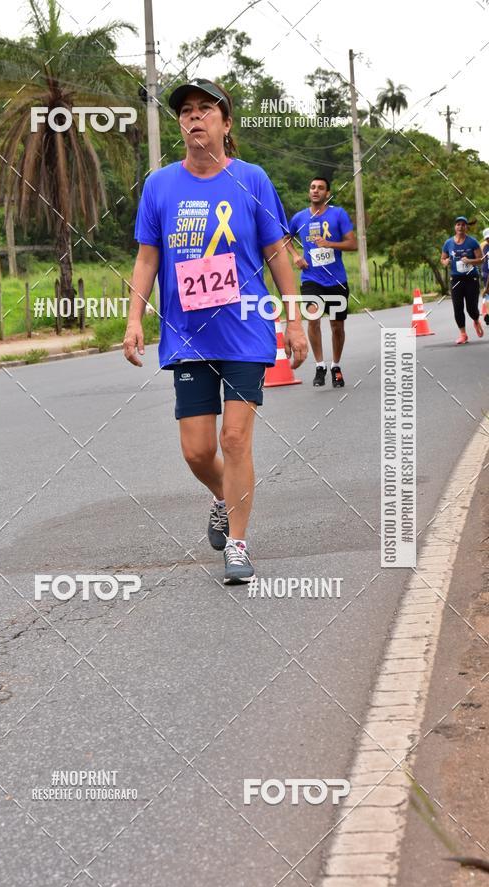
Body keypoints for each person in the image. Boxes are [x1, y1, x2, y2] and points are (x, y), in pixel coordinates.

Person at [123, 78, 308, 584]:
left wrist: (293, 320)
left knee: (234, 438)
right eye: (186, 111)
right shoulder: (159, 185)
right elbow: (146, 257)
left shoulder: (252, 178)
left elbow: (277, 256)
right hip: (187, 334)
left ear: (226, 124)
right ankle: (222, 497)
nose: (194, 118)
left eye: (206, 110)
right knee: (198, 449)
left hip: (246, 328)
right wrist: (135, 318)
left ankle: (239, 545)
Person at [286, 178, 357, 388]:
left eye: (321, 188)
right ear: (309, 192)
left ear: (328, 193)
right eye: (313, 187)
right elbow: (285, 238)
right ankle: (319, 366)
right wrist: (295, 256)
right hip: (311, 278)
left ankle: (335, 365)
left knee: (337, 326)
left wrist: (330, 244)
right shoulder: (299, 217)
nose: (316, 191)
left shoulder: (338, 214)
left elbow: (352, 243)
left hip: (336, 280)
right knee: (313, 318)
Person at [441, 216, 484, 344]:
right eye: (458, 224)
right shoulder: (448, 243)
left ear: (466, 227)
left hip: (471, 278)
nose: (460, 227)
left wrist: (470, 261)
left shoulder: (472, 242)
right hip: (456, 279)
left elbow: (481, 260)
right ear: (455, 227)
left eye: (463, 225)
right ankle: (463, 334)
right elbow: (442, 259)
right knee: (458, 308)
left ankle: (476, 320)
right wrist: (446, 262)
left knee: (471, 309)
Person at [481, 226, 489, 325]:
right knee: (487, 295)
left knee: (487, 294)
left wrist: (486, 288)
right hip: (486, 274)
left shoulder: (484, 246)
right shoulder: (484, 247)